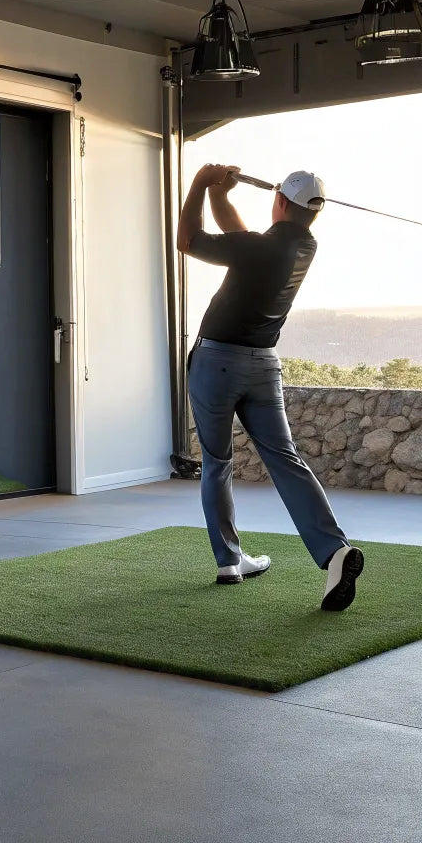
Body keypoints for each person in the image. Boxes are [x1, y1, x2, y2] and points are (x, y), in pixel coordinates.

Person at [178, 163, 363, 612]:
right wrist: (222, 194)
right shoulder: (303, 246)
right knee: (286, 459)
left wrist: (201, 183)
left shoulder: (257, 247)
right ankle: (334, 551)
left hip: (217, 363)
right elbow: (241, 237)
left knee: (217, 462)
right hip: (263, 365)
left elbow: (188, 240)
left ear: (279, 200)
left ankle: (228, 560)